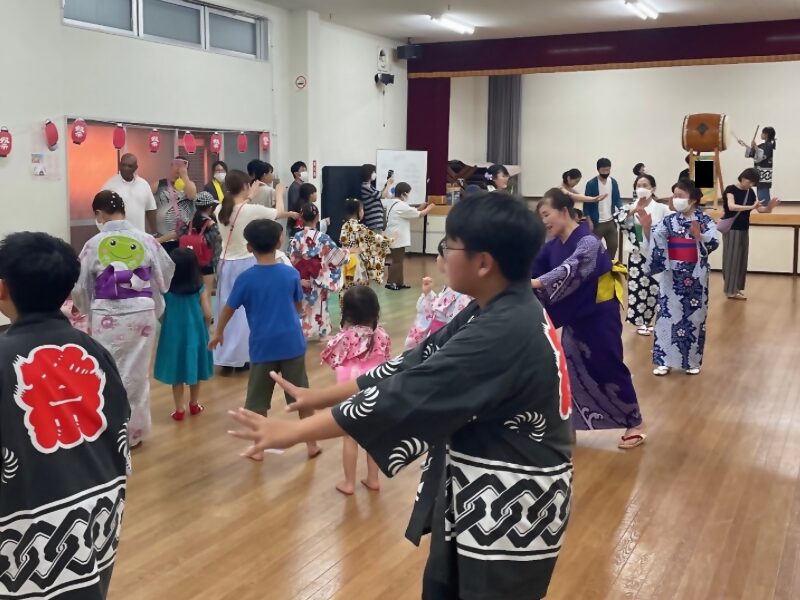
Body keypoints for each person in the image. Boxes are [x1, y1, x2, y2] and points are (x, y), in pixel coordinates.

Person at [228, 193, 573, 600]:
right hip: (481, 490)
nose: (444, 255)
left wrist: (286, 434)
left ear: (484, 262)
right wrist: (317, 396)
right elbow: (411, 363)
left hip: (510, 505)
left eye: (451, 246)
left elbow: (405, 395)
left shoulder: (503, 330)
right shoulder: (495, 307)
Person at [0, 232, 130, 600]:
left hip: (26, 529)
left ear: (2, 289)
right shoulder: (94, 351)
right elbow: (118, 429)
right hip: (93, 521)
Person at [532, 188, 645, 449]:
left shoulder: (588, 241)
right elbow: (535, 264)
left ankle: (635, 422)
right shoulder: (553, 245)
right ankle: (570, 425)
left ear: (564, 211)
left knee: (608, 363)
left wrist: (537, 282)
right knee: (570, 368)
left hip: (599, 313)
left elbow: (569, 269)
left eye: (547, 214)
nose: (545, 221)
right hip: (575, 315)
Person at [210, 218, 321, 460]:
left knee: (257, 400)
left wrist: (218, 332)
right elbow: (298, 305)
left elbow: (228, 308)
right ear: (280, 241)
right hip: (292, 343)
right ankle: (311, 444)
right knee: (301, 395)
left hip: (262, 347)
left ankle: (259, 449)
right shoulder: (290, 274)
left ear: (249, 247)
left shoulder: (246, 278)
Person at [73, 191, 174, 448]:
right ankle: (133, 434)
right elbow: (166, 271)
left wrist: (87, 306)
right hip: (141, 313)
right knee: (138, 375)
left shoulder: (93, 244)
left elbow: (81, 285)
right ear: (125, 212)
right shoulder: (146, 240)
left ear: (99, 214)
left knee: (105, 372)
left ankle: (108, 431)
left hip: (107, 313)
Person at [213, 170, 299, 373]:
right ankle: (243, 356)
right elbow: (277, 213)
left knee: (227, 307)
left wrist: (249, 193)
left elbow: (238, 206)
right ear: (243, 186)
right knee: (246, 311)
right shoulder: (250, 210)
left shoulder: (220, 209)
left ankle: (227, 356)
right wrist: (278, 193)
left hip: (225, 263)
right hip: (245, 262)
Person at [642, 179, 720, 376]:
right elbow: (656, 240)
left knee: (694, 318)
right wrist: (645, 228)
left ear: (693, 199)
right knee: (666, 317)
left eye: (680, 196)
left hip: (695, 276)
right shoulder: (668, 221)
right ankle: (663, 361)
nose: (676, 200)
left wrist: (699, 237)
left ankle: (691, 361)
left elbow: (714, 241)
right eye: (674, 196)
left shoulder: (704, 220)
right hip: (671, 275)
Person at [320, 285, 391, 495]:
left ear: (347, 313)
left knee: (349, 437)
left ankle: (349, 483)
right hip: (377, 391)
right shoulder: (383, 336)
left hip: (349, 391)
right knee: (373, 436)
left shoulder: (344, 337)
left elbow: (331, 359)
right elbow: (386, 360)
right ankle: (373, 479)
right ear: (375, 310)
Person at [154, 248, 213, 421]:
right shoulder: (200, 288)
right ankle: (194, 404)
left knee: (176, 371)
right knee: (194, 367)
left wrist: (166, 324)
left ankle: (179, 409)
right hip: (196, 333)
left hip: (172, 335)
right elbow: (208, 314)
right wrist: (206, 328)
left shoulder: (166, 291)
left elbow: (160, 313)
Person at [614, 174, 671, 335]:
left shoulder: (662, 208)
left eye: (645, 185)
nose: (642, 188)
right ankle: (641, 322)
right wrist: (633, 210)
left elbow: (668, 228)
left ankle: (653, 320)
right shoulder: (629, 207)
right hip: (637, 254)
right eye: (639, 185)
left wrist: (650, 230)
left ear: (653, 189)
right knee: (638, 288)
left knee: (655, 288)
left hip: (655, 252)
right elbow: (619, 219)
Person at [290, 203, 347, 341]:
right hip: (318, 275)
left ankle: (301, 332)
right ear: (318, 217)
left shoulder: (296, 237)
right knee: (319, 304)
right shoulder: (323, 237)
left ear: (301, 218)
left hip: (301, 275)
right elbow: (337, 257)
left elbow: (293, 259)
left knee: (301, 303)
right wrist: (347, 253)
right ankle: (321, 333)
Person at [721, 168, 780, 300]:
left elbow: (761, 210)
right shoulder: (730, 189)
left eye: (753, 183)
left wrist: (770, 207)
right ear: (742, 177)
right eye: (749, 181)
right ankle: (729, 290)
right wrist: (750, 207)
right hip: (732, 229)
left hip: (744, 228)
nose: (750, 184)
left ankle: (736, 288)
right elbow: (731, 206)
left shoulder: (750, 192)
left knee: (741, 260)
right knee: (731, 259)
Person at [405, 238, 473, 350]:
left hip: (442, 340)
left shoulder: (461, 292)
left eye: (439, 255)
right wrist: (429, 295)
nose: (437, 259)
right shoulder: (455, 288)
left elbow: (451, 320)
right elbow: (440, 309)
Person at [384, 182, 434, 290]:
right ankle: (390, 283)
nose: (408, 195)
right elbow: (419, 214)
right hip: (396, 237)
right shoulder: (400, 205)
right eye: (408, 193)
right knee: (397, 261)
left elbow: (412, 211)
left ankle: (399, 282)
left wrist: (421, 207)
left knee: (399, 260)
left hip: (394, 236)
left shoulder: (394, 203)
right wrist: (430, 207)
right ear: (403, 194)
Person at [339, 198, 391, 295]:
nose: (363, 212)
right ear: (358, 211)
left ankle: (346, 307)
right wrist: (388, 240)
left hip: (345, 260)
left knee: (346, 287)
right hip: (356, 261)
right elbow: (376, 239)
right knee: (359, 288)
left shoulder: (344, 226)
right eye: (362, 209)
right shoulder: (360, 227)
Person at [178, 191, 221, 305]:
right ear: (210, 207)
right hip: (207, 262)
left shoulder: (189, 222)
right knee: (206, 292)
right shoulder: (211, 223)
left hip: (191, 261)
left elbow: (179, 234)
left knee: (195, 292)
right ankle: (206, 316)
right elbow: (215, 238)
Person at [101, 153, 157, 233]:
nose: (126, 168)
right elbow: (100, 211)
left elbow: (150, 209)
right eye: (123, 165)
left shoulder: (143, 184)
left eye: (130, 166)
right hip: (117, 237)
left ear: (136, 167)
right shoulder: (109, 185)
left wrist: (154, 232)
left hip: (138, 236)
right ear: (119, 165)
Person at [151, 156, 197, 253]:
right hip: (163, 238)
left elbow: (192, 195)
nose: (178, 168)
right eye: (176, 165)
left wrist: (184, 176)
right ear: (171, 166)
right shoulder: (159, 184)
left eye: (182, 165)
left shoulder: (189, 185)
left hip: (185, 238)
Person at [583, 158, 622, 259]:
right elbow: (586, 203)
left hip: (611, 221)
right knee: (593, 249)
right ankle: (595, 270)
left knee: (613, 247)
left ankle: (609, 269)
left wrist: (622, 209)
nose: (606, 172)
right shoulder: (591, 184)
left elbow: (617, 198)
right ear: (598, 170)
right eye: (603, 170)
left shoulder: (613, 182)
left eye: (608, 170)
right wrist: (589, 220)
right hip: (597, 223)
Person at [739, 127, 777, 204]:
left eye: (762, 133)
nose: (761, 134)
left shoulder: (768, 145)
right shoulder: (763, 145)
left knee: (763, 189)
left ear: (766, 134)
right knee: (760, 189)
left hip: (764, 171)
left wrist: (755, 147)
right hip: (760, 170)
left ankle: (765, 207)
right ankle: (764, 207)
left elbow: (761, 157)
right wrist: (745, 145)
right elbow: (753, 153)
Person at [360, 163, 394, 232]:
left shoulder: (369, 186)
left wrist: (386, 185)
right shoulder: (365, 187)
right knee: (377, 242)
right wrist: (388, 184)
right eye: (373, 172)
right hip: (374, 223)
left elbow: (380, 194)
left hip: (376, 222)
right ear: (368, 173)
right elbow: (382, 195)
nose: (375, 174)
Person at [287, 161, 308, 236]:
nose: (305, 172)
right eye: (302, 170)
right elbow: (297, 205)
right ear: (296, 174)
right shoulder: (295, 187)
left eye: (306, 170)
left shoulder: (301, 186)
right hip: (296, 223)